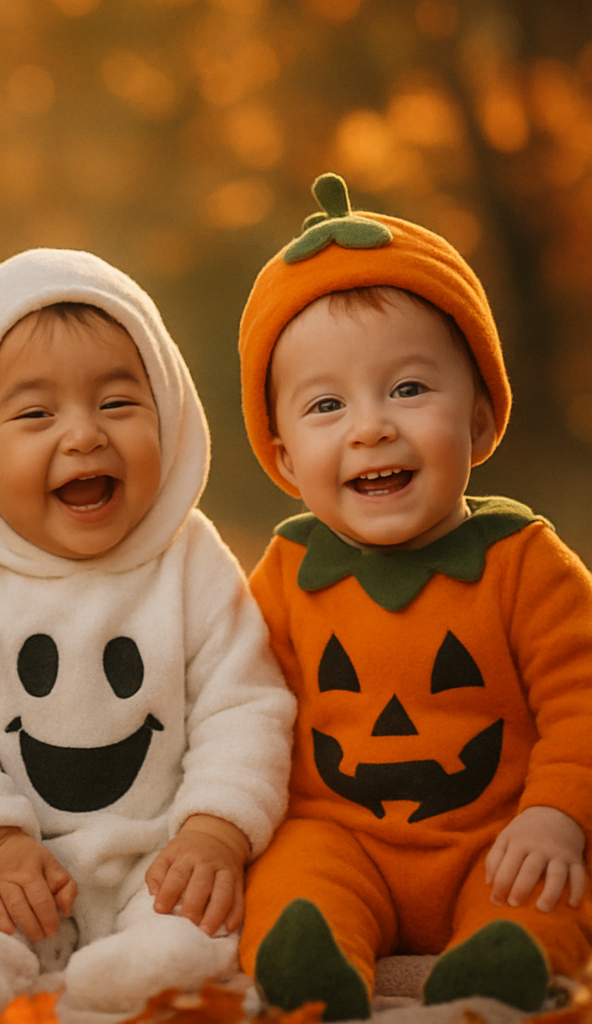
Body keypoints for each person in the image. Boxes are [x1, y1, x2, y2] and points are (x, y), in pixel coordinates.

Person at [0, 248, 296, 1016]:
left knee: (189, 923)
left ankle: (151, 961)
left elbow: (245, 704)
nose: (84, 436)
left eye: (118, 404)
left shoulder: (189, 558)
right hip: (16, 867)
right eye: (36, 414)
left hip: (162, 855)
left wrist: (215, 832)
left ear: (168, 410)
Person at [236, 172, 592, 1019]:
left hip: (498, 833)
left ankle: (500, 965)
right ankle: (312, 964)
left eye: (408, 389)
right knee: (291, 879)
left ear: (477, 418)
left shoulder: (523, 561)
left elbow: (585, 698)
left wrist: (557, 815)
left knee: (550, 888)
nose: (371, 426)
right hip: (340, 833)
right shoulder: (282, 574)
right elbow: (238, 706)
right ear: (284, 459)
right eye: (327, 405)